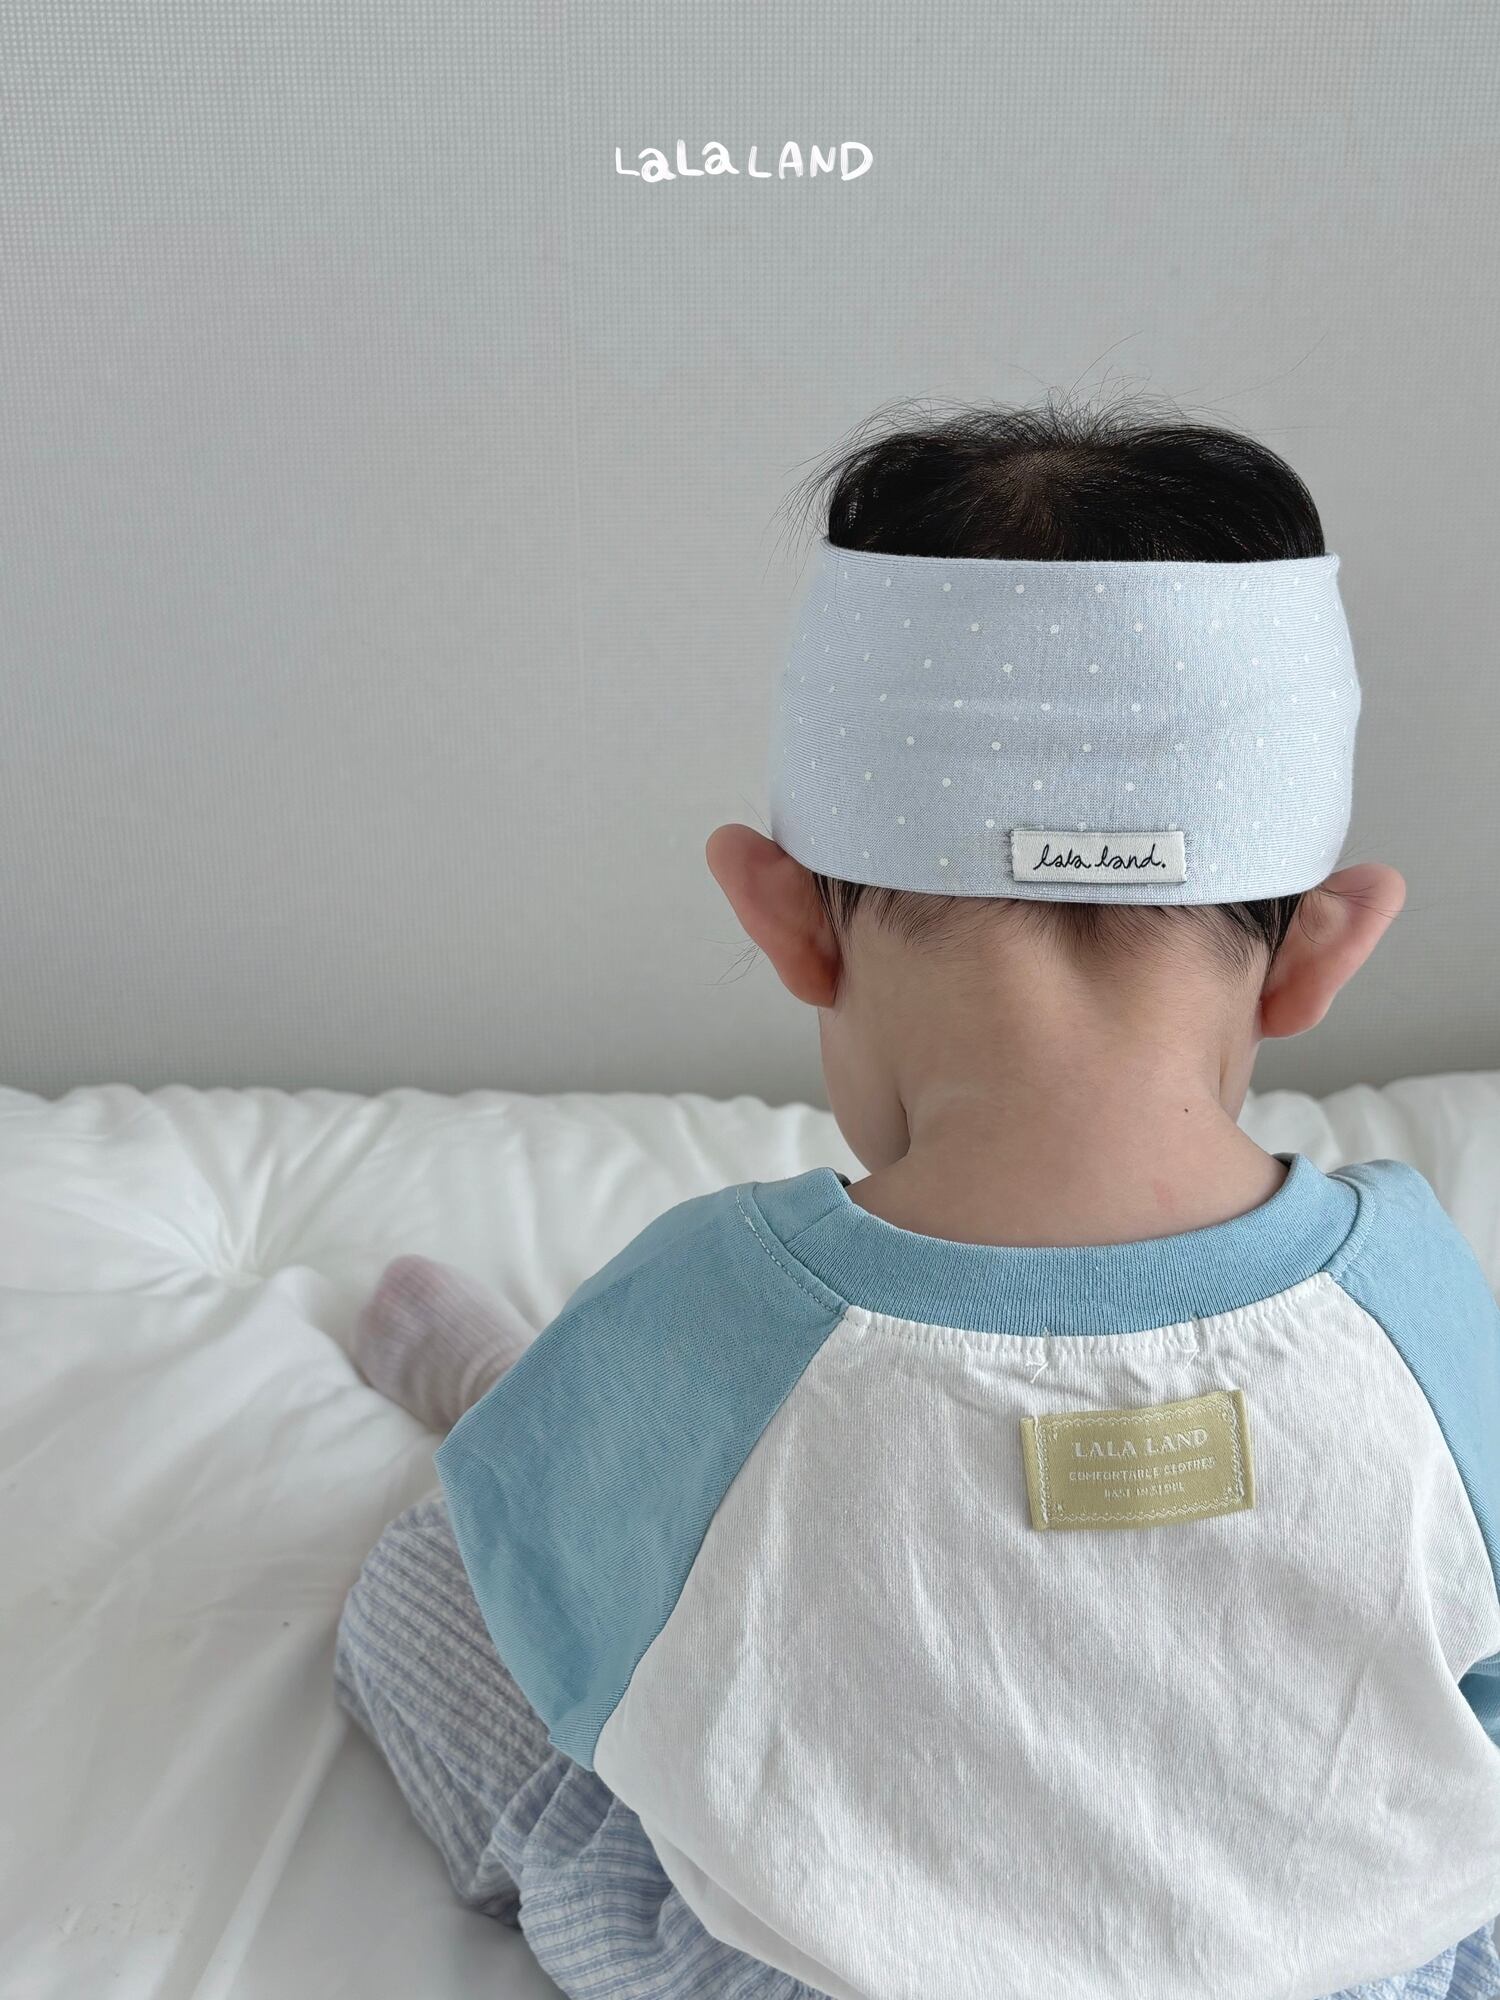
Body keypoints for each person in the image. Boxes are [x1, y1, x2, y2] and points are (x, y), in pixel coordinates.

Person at [335, 397, 1500, 2000]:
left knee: (441, 1586)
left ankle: (518, 1407)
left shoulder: (721, 1308)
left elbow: (562, 1650)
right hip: (1355, 1977)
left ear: (785, 918)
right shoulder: (1419, 1304)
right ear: (1320, 953)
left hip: (824, 1973)